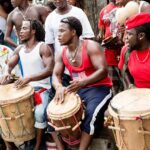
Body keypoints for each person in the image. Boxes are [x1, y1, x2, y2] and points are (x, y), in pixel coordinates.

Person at [51, 16, 112, 150]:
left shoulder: (91, 46)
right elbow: (55, 75)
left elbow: (103, 70)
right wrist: (59, 87)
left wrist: (83, 82)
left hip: (100, 89)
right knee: (51, 113)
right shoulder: (62, 52)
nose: (58, 35)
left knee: (91, 114)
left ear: (73, 32)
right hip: (78, 89)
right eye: (57, 32)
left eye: (62, 31)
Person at [0, 19, 54, 150]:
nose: (20, 32)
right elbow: (9, 64)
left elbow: (50, 69)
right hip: (25, 88)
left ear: (33, 31)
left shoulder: (43, 47)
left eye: (24, 28)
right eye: (20, 29)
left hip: (42, 89)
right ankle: (11, 144)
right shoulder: (20, 49)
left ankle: (37, 145)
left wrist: (29, 78)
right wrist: (7, 72)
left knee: (39, 113)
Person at [98, 0, 123, 95]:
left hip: (125, 54)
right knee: (114, 87)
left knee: (128, 85)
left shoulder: (127, 7)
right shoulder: (103, 11)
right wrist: (102, 39)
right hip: (110, 55)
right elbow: (101, 33)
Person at [118, 13, 150, 88]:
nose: (125, 37)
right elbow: (124, 71)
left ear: (141, 36)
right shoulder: (126, 50)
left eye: (129, 34)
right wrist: (130, 85)